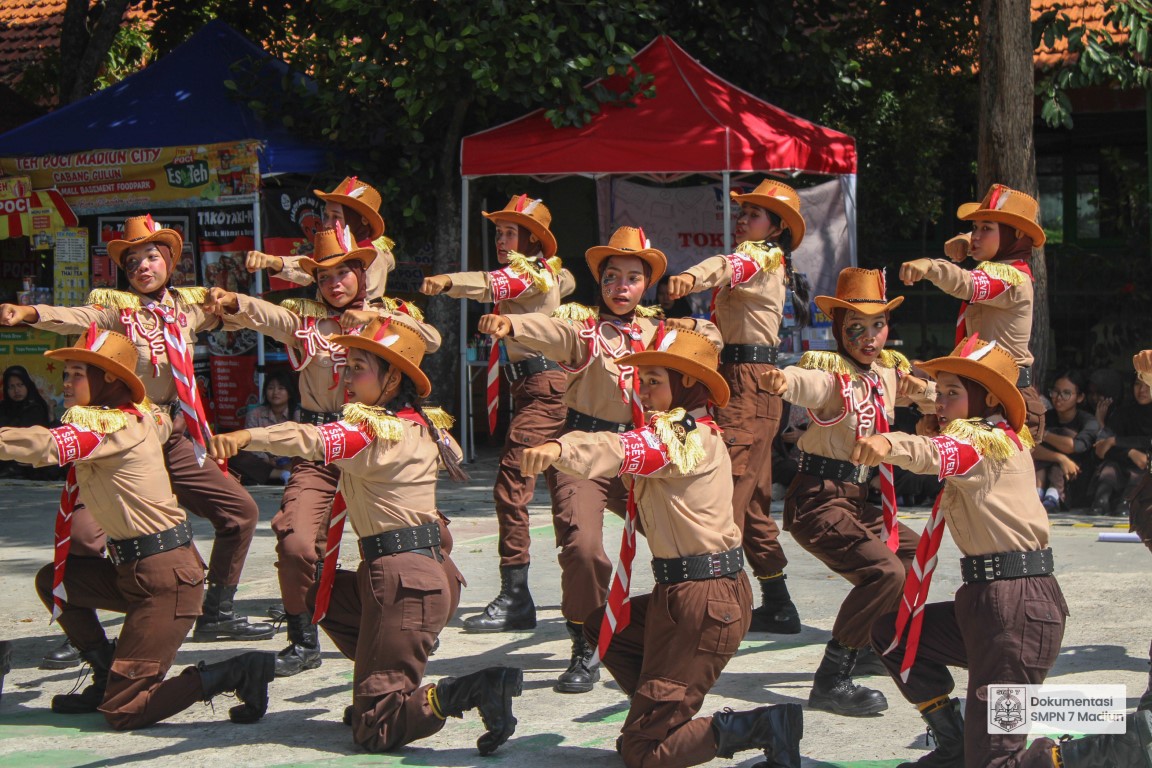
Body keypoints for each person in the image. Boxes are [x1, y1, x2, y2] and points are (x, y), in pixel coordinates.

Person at [209, 318, 522, 756]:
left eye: (358, 367)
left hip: (403, 583)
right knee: (319, 590)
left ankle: (469, 690)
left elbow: (310, 437)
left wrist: (246, 435)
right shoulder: (421, 424)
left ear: (392, 377)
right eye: (346, 366)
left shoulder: (373, 431)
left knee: (374, 730)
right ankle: (385, 681)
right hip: (424, 575)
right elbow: (449, 450)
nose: (346, 378)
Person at [863, 335, 1152, 768]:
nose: (940, 403)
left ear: (987, 399)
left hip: (1014, 616)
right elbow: (942, 408)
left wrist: (890, 444)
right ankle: (956, 744)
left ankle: (1109, 750)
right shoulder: (993, 431)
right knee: (895, 637)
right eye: (939, 394)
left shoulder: (981, 442)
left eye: (952, 394)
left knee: (998, 762)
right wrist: (916, 391)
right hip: (989, 606)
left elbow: (937, 450)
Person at [521, 329, 803, 768]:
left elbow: (619, 447)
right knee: (604, 630)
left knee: (643, 754)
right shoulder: (670, 433)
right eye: (642, 380)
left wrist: (562, 446)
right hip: (683, 594)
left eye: (654, 380)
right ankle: (657, 721)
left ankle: (762, 726)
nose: (642, 390)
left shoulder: (687, 438)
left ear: (687, 385)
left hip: (705, 601)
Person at [0, 215, 272, 642]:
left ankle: (216, 610)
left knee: (241, 513)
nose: (142, 267)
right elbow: (74, 316)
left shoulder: (188, 305)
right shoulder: (116, 307)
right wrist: (30, 312)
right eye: (132, 263)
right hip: (124, 434)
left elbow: (236, 318)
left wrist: (233, 302)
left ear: (168, 261)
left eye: (150, 257)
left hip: (176, 432)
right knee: (84, 538)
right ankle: (81, 632)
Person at [477, 225, 721, 693]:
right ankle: (588, 642)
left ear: (645, 285)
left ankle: (691, 621)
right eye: (612, 276)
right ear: (601, 281)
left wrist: (686, 325)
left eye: (632, 278)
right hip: (586, 451)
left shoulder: (660, 332)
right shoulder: (582, 327)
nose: (620, 287)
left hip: (644, 452)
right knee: (583, 547)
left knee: (694, 539)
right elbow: (550, 331)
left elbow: (713, 337)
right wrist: (514, 324)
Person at [0, 327, 275, 729]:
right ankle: (105, 671)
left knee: (125, 711)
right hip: (134, 571)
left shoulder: (108, 427)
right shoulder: (141, 416)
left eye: (77, 374)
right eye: (66, 374)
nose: (67, 383)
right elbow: (165, 421)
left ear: (107, 379)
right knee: (55, 582)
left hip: (167, 581)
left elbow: (44, 446)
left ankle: (235, 673)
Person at [205, 227, 440, 678]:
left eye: (344, 274)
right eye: (325, 276)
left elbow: (431, 340)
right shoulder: (306, 322)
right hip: (320, 448)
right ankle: (302, 635)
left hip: (379, 446)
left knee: (418, 538)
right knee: (294, 541)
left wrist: (376, 320)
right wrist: (235, 303)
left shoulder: (390, 313)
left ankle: (418, 613)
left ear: (362, 274)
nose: (335, 284)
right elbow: (266, 316)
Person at [761, 267, 929, 717]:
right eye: (856, 327)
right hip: (817, 500)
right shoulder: (830, 373)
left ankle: (871, 643)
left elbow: (928, 395)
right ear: (839, 329)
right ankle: (831, 679)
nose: (869, 337)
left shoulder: (888, 373)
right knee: (885, 573)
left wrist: (950, 396)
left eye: (878, 326)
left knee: (913, 555)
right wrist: (784, 381)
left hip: (857, 500)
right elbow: (805, 384)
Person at [666, 180, 812, 635]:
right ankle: (778, 602)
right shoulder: (764, 264)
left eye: (753, 214)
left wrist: (690, 277)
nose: (743, 220)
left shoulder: (759, 257)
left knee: (721, 498)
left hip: (746, 388)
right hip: (744, 382)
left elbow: (724, 264)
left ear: (776, 228)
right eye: (743, 212)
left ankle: (717, 606)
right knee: (750, 505)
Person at [421, 194, 573, 634]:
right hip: (536, 386)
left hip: (543, 389)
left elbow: (492, 285)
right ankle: (573, 592)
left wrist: (449, 281)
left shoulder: (527, 275)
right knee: (565, 489)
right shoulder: (544, 273)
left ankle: (516, 597)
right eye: (498, 232)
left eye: (510, 232)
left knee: (512, 486)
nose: (502, 240)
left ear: (531, 241)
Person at [898, 183, 1047, 441]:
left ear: (1016, 234)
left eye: (986, 228)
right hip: (978, 392)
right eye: (974, 228)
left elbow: (969, 284)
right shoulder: (998, 267)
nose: (976, 235)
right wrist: (968, 241)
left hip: (1003, 399)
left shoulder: (1013, 277)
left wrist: (931, 266)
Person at [245, 177, 395, 300]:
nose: (327, 224)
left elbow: (366, 307)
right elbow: (309, 266)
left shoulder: (371, 257)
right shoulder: (340, 250)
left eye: (336, 217)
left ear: (361, 221)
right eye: (326, 216)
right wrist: (273, 261)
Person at [1032, 370, 1100, 511]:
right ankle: (1039, 494)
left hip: (1076, 479)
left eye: (1066, 393)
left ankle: (1053, 494)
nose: (1059, 398)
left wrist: (1043, 435)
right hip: (1044, 475)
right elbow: (1030, 448)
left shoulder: (1088, 422)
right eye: (1055, 392)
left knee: (1065, 435)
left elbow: (1074, 447)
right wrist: (1060, 458)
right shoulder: (1044, 418)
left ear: (1080, 397)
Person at [1089, 371, 1152, 516]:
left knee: (1142, 471)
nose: (1142, 390)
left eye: (1148, 385)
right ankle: (1101, 501)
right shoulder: (1124, 412)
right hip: (1123, 462)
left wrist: (1117, 441)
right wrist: (1130, 452)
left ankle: (1127, 502)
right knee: (1109, 469)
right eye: (1138, 384)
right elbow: (1103, 449)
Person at [229, 371, 301, 486]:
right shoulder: (255, 414)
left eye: (281, 388)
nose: (275, 392)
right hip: (263, 463)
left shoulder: (298, 415)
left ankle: (284, 473)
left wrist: (288, 460)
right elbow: (249, 444)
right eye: (271, 388)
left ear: (290, 392)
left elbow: (302, 443)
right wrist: (267, 459)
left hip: (290, 461)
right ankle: (281, 474)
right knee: (235, 455)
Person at [0, 365, 53, 478]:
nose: (16, 390)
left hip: (31, 465)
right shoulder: (3, 408)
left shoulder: (36, 407)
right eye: (11, 386)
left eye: (20, 385)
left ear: (27, 385)